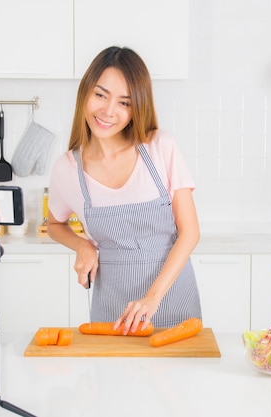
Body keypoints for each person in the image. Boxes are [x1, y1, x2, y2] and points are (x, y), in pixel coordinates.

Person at [47, 46, 202, 334]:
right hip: (112, 314)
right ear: (85, 93)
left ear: (136, 108)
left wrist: (152, 298)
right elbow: (54, 224)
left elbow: (190, 232)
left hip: (173, 302)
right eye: (100, 95)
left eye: (124, 102)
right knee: (112, 378)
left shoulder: (159, 147)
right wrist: (81, 245)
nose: (108, 111)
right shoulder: (67, 168)